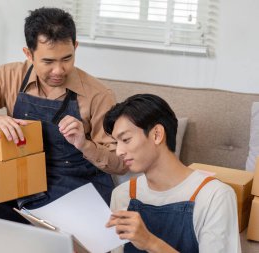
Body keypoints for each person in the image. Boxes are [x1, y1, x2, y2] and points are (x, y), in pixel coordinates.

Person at [0, 7, 127, 253]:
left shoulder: (98, 95)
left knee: (65, 241)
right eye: (48, 61)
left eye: (66, 59)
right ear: (28, 53)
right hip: (21, 189)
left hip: (77, 193)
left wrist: (85, 144)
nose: (58, 70)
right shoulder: (9, 76)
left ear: (76, 47)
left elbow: (120, 163)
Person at [103, 94, 241, 253]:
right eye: (115, 143)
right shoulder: (121, 195)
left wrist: (150, 242)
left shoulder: (214, 196)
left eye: (126, 139)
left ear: (157, 134)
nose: (119, 151)